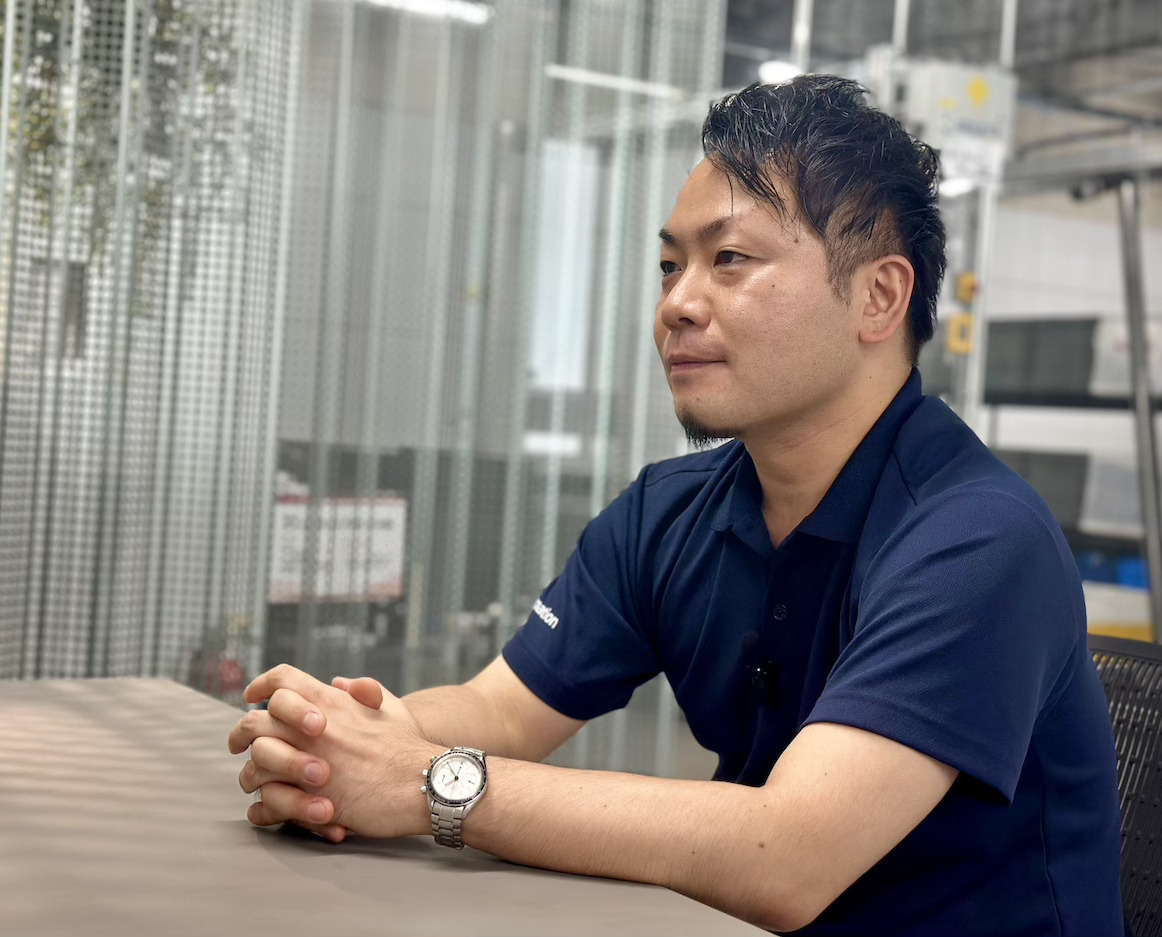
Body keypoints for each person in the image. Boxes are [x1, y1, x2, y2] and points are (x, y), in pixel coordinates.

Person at [228, 76, 1124, 936]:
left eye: (729, 259)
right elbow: (500, 711)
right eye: (669, 265)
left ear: (879, 296)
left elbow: (788, 855)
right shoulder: (669, 513)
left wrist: (426, 781)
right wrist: (335, 742)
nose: (677, 304)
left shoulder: (976, 541)